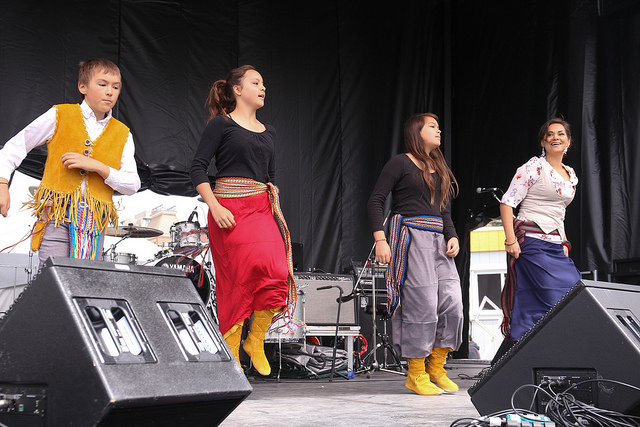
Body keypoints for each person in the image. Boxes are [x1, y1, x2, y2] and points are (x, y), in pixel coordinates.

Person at [190, 65, 296, 376]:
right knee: (237, 281)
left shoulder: (269, 131)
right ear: (237, 89)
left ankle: (256, 340)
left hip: (261, 207)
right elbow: (197, 168)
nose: (263, 88)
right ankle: (232, 351)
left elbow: (270, 176)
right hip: (229, 208)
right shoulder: (221, 124)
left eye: (263, 83)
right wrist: (214, 206)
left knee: (277, 272)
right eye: (255, 82)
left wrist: (271, 195)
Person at [0, 58, 141, 268]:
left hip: (94, 222)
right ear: (82, 87)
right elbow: (14, 147)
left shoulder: (123, 134)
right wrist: (2, 183)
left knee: (85, 280)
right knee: (55, 276)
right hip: (57, 215)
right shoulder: (59, 115)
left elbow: (132, 185)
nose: (110, 92)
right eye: (102, 84)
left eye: (116, 87)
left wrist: (98, 167)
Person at [367, 113, 463, 395]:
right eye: (432, 126)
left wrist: (452, 235)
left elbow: (444, 210)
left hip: (438, 240)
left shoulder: (439, 167)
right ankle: (416, 372)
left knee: (453, 303)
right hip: (412, 236)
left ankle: (436, 366)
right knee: (423, 304)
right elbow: (375, 201)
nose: (439, 130)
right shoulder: (401, 163)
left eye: (438, 126)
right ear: (416, 132)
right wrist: (381, 239)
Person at [499, 118, 581, 347]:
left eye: (561, 134)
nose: (555, 137)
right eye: (550, 134)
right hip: (531, 239)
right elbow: (507, 203)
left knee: (573, 293)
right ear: (543, 142)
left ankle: (535, 350)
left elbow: (560, 212)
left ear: (569, 141)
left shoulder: (570, 174)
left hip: (556, 244)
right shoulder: (533, 167)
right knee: (551, 298)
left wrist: (564, 243)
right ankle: (526, 350)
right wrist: (510, 240)